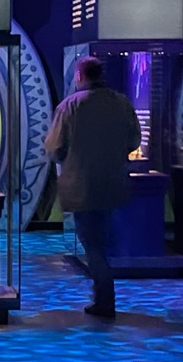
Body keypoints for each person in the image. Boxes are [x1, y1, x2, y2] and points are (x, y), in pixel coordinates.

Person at [43, 56, 140, 318]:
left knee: (93, 248)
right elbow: (134, 141)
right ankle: (104, 297)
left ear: (79, 76)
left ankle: (105, 300)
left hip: (82, 187)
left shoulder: (70, 106)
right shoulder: (121, 103)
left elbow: (54, 148)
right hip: (114, 185)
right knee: (104, 244)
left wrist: (72, 159)